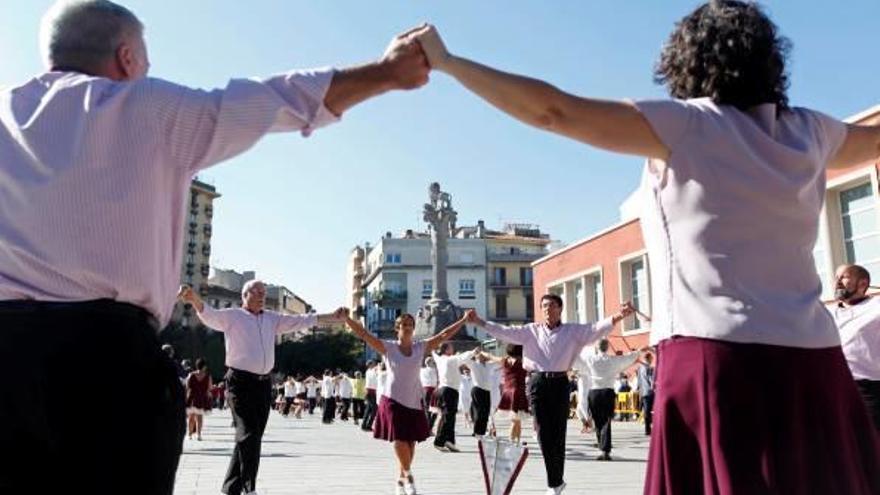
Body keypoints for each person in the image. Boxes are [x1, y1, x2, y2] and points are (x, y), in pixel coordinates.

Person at [414, 3, 880, 491]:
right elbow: (872, 143)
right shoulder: (812, 130)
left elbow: (555, 110)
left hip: (716, 357)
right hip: (815, 361)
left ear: (686, 61)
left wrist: (448, 61)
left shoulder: (688, 124)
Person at [0, 0, 431, 491]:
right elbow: (272, 99)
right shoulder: (144, 107)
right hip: (106, 364)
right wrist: (388, 71)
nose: (146, 68)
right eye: (144, 57)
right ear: (125, 58)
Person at [179, 282, 346, 495]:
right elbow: (209, 314)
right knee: (248, 433)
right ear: (244, 295)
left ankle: (230, 489)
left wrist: (332, 315)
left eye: (264, 293)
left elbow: (301, 320)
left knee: (252, 436)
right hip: (239, 383)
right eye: (257, 292)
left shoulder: (272, 318)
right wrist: (194, 298)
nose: (262, 296)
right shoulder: (233, 316)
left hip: (262, 385)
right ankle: (250, 488)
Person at [466, 296, 634, 494]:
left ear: (560, 308)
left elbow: (596, 328)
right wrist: (479, 322)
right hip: (537, 383)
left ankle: (555, 482)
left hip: (561, 383)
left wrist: (619, 316)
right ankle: (554, 481)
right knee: (542, 433)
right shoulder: (531, 331)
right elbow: (504, 331)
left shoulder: (573, 331)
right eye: (544, 306)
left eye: (552, 305)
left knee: (558, 434)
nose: (547, 309)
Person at [343, 310, 471, 495]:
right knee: (399, 439)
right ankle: (409, 476)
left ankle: (400, 480)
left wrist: (464, 320)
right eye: (404, 325)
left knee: (410, 442)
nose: (408, 328)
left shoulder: (421, 347)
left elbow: (444, 335)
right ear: (398, 329)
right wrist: (347, 319)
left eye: (410, 324)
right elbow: (364, 334)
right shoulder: (388, 347)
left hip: (413, 400)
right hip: (392, 399)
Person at [831, 264, 880, 430]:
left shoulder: (877, 307)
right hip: (833, 388)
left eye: (844, 277)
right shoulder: (826, 314)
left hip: (868, 390)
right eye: (836, 277)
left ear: (862, 284)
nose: (837, 282)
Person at [585, 340, 646, 460]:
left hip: (594, 392)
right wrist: (640, 351)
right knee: (607, 421)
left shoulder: (590, 360)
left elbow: (576, 362)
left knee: (598, 421)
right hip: (608, 392)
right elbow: (628, 358)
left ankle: (602, 446)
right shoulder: (613, 360)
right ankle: (605, 450)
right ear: (607, 347)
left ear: (597, 347)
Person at [431, 343, 476, 453]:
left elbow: (434, 354)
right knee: (447, 417)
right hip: (449, 390)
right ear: (446, 350)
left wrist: (432, 348)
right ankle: (439, 441)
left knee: (450, 416)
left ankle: (450, 441)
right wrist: (474, 351)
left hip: (444, 389)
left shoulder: (440, 359)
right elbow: (462, 357)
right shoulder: (450, 360)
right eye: (451, 347)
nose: (453, 348)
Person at [482, 344, 529, 443]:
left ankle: (515, 442)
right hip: (518, 391)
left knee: (516, 420)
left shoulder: (504, 360)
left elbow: (491, 356)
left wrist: (482, 353)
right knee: (516, 420)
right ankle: (512, 441)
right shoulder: (524, 361)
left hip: (507, 391)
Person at [464, 350, 498, 436]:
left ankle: (482, 431)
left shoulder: (489, 365)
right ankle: (477, 431)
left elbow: (499, 362)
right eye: (479, 355)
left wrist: (488, 355)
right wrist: (473, 352)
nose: (481, 356)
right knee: (479, 411)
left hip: (487, 391)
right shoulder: (474, 364)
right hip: (478, 389)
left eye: (482, 355)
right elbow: (465, 360)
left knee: (486, 412)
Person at [185, 358, 213, 441]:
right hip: (201, 398)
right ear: (204, 366)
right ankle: (199, 434)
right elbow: (209, 388)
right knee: (200, 417)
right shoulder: (208, 376)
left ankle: (189, 435)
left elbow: (187, 386)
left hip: (192, 397)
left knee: (191, 417)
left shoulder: (191, 375)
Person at [637, 353, 656, 435]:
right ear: (649, 359)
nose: (652, 360)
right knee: (651, 410)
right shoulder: (649, 368)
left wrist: (639, 389)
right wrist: (653, 388)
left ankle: (647, 429)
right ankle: (649, 429)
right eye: (651, 358)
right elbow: (651, 380)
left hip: (643, 392)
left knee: (646, 411)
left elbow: (639, 381)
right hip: (650, 391)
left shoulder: (640, 368)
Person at [419, 357, 439, 429]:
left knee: (427, 409)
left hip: (424, 390)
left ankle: (428, 427)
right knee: (434, 409)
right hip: (432, 390)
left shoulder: (421, 370)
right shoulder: (435, 370)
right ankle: (429, 427)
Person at [362, 361, 380, 430]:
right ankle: (368, 425)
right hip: (372, 391)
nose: (374, 364)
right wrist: (378, 367)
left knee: (368, 409)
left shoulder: (367, 371)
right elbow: (376, 373)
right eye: (373, 363)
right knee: (374, 410)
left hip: (368, 391)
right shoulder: (373, 371)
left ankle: (364, 425)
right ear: (370, 365)